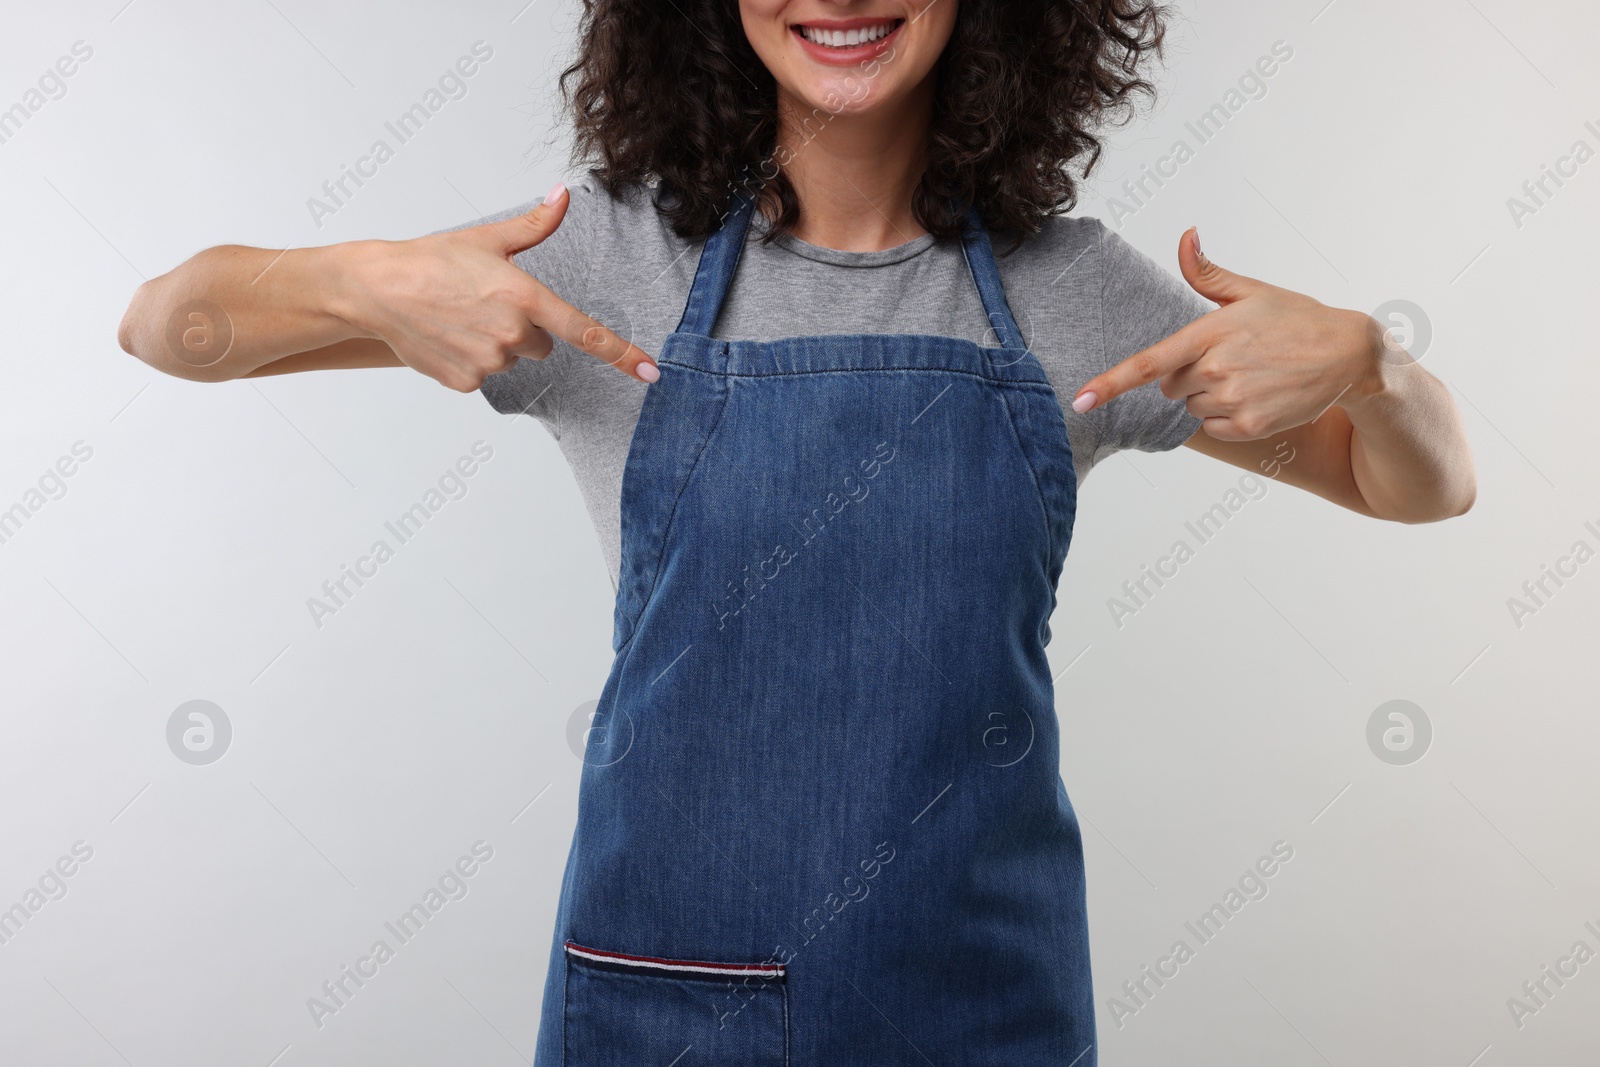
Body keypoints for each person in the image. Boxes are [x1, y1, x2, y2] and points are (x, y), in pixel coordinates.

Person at [118, 2, 1476, 1063]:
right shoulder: (604, 267)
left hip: (980, 1013)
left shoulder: (1074, 298)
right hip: (668, 1010)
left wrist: (1373, 364)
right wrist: (353, 278)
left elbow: (1418, 484)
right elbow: (171, 327)